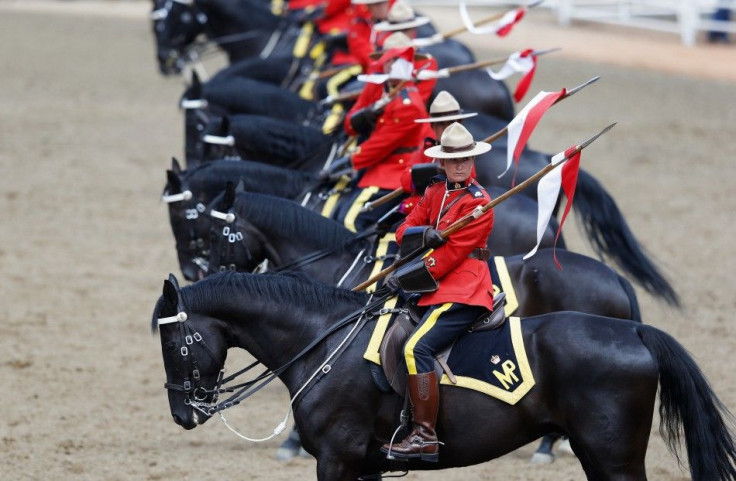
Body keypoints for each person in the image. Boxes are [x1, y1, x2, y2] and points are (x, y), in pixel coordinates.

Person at [380, 122, 494, 462]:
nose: (460, 165)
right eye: (454, 160)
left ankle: (424, 436)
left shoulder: (480, 203)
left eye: (466, 159)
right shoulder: (434, 192)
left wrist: (404, 277)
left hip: (465, 288)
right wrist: (422, 232)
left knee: (417, 348)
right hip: (435, 287)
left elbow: (447, 257)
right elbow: (402, 230)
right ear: (442, 163)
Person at [399, 90, 478, 214]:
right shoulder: (427, 148)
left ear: (460, 124)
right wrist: (432, 170)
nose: (447, 128)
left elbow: (462, 189)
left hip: (443, 214)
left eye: (451, 123)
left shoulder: (464, 155)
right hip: (416, 210)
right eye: (441, 124)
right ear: (432, 126)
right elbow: (405, 180)